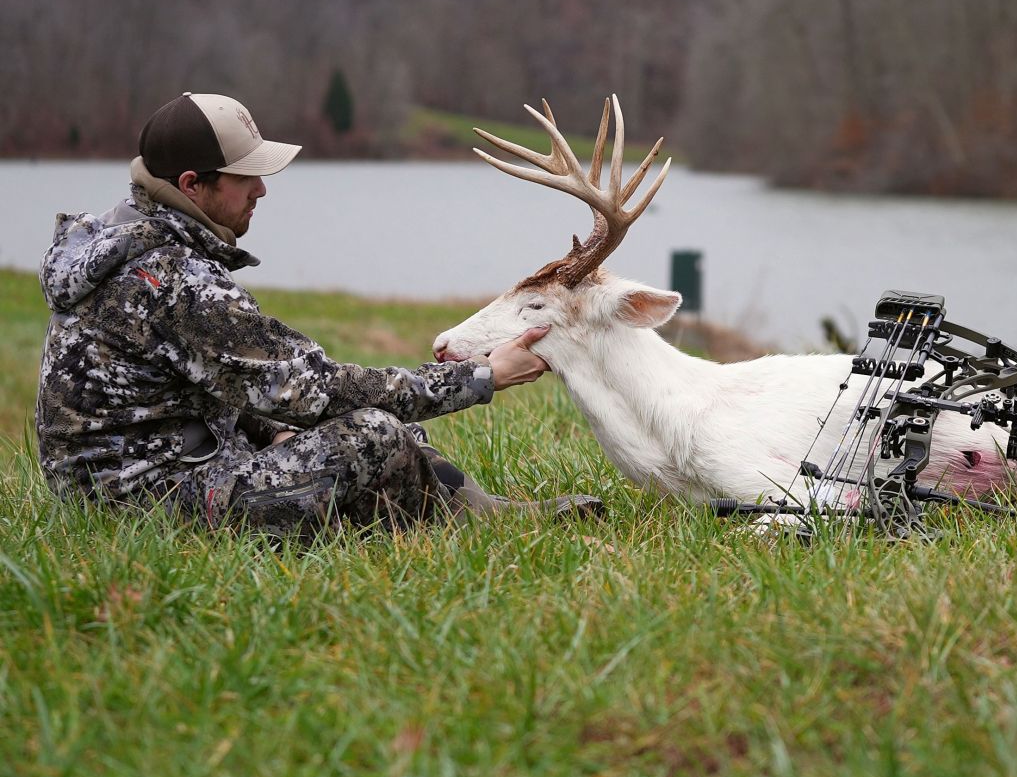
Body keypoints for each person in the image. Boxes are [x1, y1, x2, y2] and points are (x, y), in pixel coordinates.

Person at [35, 91, 599, 539]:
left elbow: (207, 386)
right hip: (142, 509)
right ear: (192, 185)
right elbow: (314, 388)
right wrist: (482, 375)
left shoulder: (120, 240)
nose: (261, 190)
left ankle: (482, 512)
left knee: (366, 427)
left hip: (138, 478)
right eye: (245, 178)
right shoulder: (171, 282)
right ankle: (463, 524)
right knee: (371, 432)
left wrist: (271, 431)